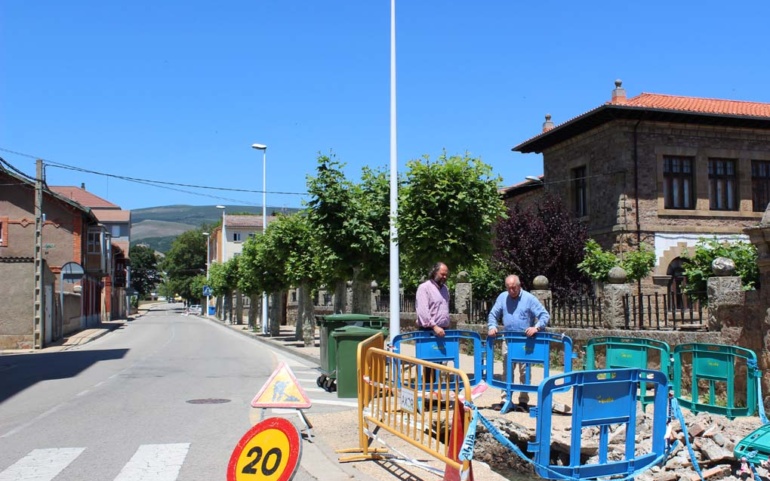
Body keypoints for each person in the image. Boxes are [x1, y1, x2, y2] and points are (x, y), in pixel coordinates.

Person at [487, 274, 550, 410]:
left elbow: (544, 315)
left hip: (524, 341)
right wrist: (492, 326)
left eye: (514, 288)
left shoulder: (529, 298)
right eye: (508, 288)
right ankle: (505, 400)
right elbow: (493, 314)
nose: (511, 291)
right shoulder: (502, 297)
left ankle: (523, 401)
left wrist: (536, 328)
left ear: (519, 286)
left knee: (524, 372)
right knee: (507, 370)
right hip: (508, 339)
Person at [415, 262, 451, 385]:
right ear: (434, 272)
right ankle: (428, 392)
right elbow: (423, 311)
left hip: (443, 330)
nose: (444, 277)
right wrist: (434, 326)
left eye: (446, 275)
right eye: (442, 274)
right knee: (430, 365)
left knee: (442, 363)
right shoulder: (424, 288)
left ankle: (439, 391)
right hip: (429, 331)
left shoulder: (445, 289)